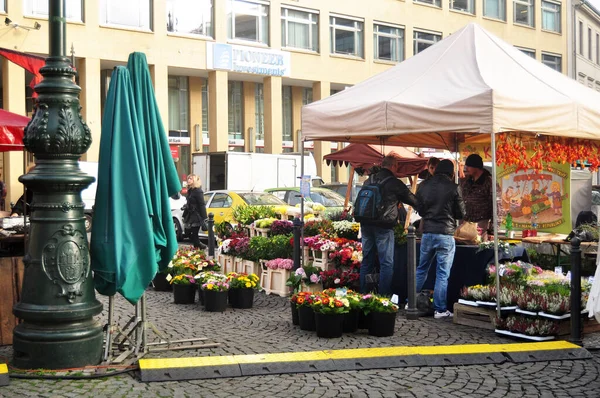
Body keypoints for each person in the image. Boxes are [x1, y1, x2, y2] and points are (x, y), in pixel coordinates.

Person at [359, 155, 419, 296]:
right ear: (393, 166)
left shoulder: (369, 180)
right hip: (384, 226)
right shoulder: (394, 183)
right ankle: (383, 296)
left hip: (366, 224)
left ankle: (363, 294)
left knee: (367, 260)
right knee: (386, 263)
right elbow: (412, 199)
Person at [415, 159, 465, 319]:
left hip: (428, 232)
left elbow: (420, 209)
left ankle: (410, 301)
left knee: (421, 268)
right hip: (445, 233)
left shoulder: (423, 186)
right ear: (451, 173)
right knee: (442, 273)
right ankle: (440, 309)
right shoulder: (454, 188)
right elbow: (461, 213)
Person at [460, 154, 494, 235]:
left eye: (469, 166)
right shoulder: (467, 181)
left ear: (476, 167)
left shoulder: (489, 182)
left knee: (479, 246)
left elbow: (496, 205)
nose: (466, 168)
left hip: (482, 223)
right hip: (467, 222)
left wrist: (492, 229)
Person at [185, 174, 207, 249]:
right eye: (188, 179)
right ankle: (198, 245)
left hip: (196, 215)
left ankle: (198, 246)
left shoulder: (198, 191)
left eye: (190, 179)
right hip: (190, 214)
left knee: (194, 233)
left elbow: (202, 204)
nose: (188, 180)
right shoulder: (190, 190)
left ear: (194, 180)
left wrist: (204, 217)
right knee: (187, 232)